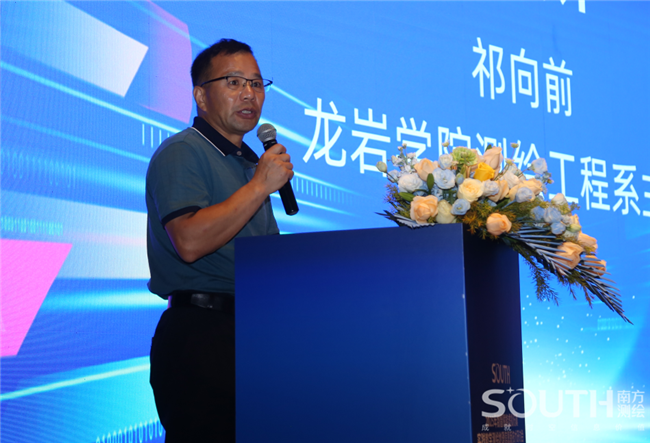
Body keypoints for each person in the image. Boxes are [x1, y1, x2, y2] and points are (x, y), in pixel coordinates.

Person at [146, 39, 293, 442]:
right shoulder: (183, 152)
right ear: (201, 95)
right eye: (234, 82)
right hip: (202, 335)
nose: (249, 94)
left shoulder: (249, 164)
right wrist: (259, 186)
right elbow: (189, 241)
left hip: (253, 331)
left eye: (257, 83)